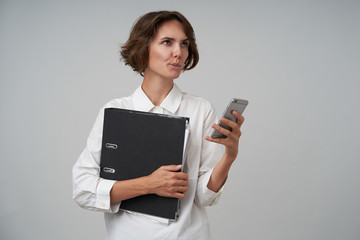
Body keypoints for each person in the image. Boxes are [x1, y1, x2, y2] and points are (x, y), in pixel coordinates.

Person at [72, 10, 245, 240]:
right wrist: (148, 184)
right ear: (144, 48)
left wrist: (229, 157)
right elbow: (82, 189)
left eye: (184, 44)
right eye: (167, 42)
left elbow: (204, 197)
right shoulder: (114, 111)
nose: (179, 53)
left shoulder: (201, 109)